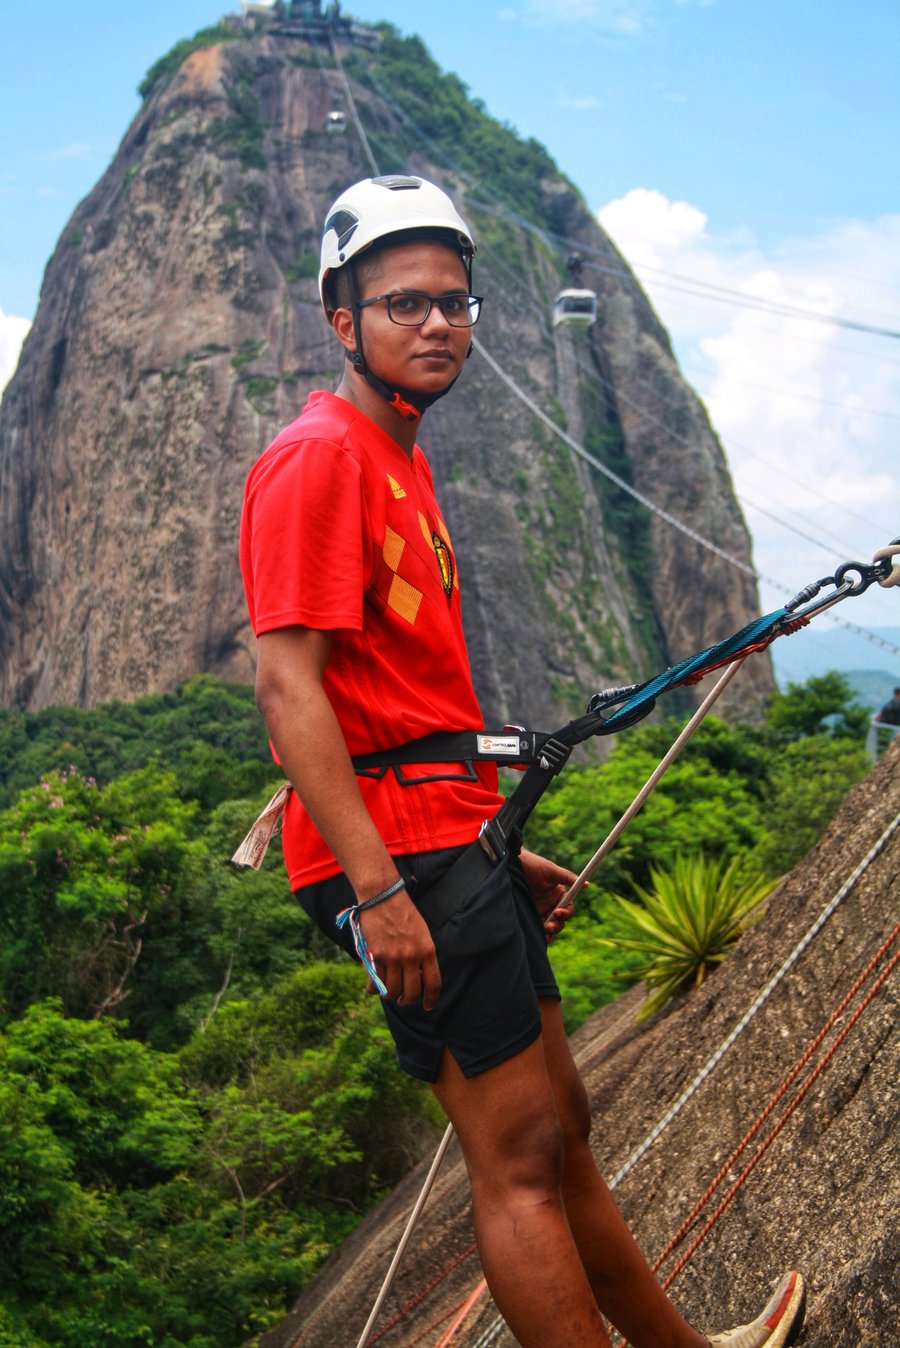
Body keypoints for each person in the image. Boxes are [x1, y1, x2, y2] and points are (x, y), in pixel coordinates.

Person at [239, 175, 806, 1348]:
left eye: (455, 302)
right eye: (404, 303)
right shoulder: (319, 457)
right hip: (393, 856)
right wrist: (385, 890)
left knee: (565, 1119)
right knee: (519, 1157)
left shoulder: (397, 454)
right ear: (342, 318)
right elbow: (289, 691)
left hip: (450, 834)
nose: (437, 323)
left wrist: (493, 846)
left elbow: (395, 701)